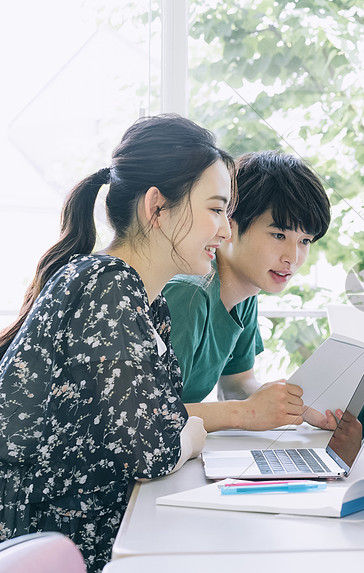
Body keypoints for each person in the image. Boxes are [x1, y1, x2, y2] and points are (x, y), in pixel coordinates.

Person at [0, 114, 232, 572]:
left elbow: (157, 425)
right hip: (48, 547)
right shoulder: (106, 285)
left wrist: (181, 433)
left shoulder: (146, 301)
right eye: (216, 209)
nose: (225, 231)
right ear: (157, 207)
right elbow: (151, 448)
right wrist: (188, 437)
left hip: (86, 538)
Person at [162, 150, 337, 432]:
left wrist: (299, 408)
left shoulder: (245, 293)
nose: (293, 257)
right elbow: (152, 416)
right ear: (229, 225)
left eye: (305, 240)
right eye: (279, 235)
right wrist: (247, 412)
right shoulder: (188, 294)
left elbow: (235, 385)